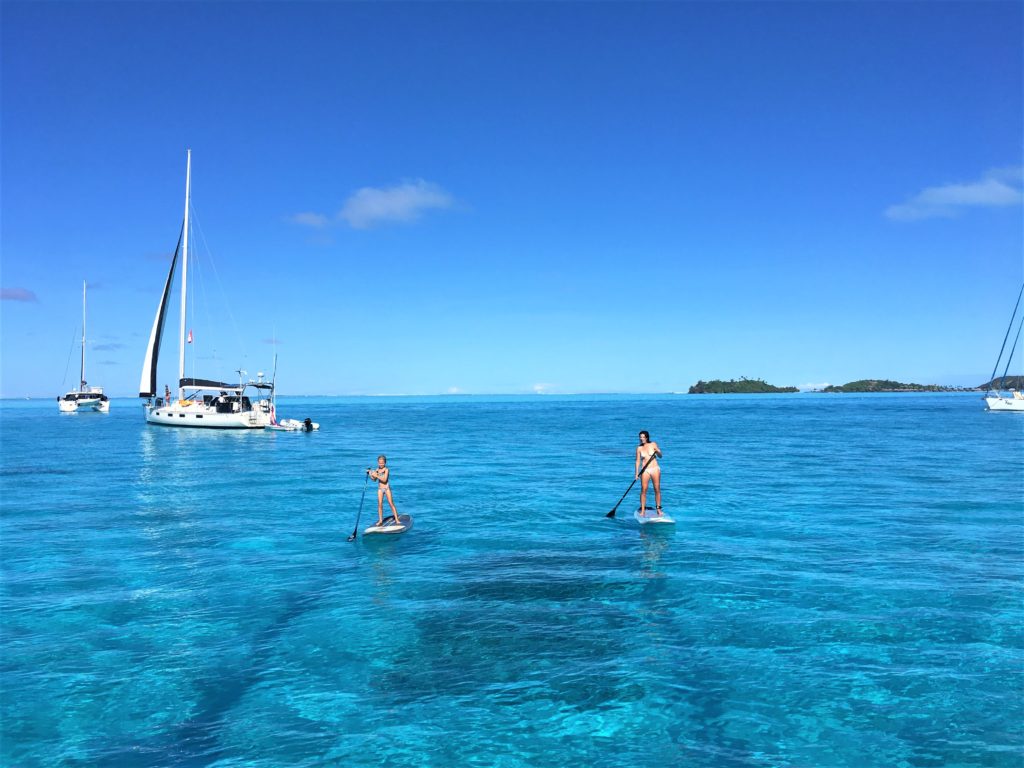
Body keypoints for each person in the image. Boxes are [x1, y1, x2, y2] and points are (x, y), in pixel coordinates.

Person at [635, 430, 663, 516]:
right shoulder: (639, 448)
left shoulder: (653, 444)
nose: (641, 438)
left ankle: (658, 509)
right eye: (640, 437)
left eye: (643, 437)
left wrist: (658, 451)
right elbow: (637, 461)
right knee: (643, 489)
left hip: (654, 468)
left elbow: (660, 456)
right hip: (645, 470)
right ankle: (643, 510)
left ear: (647, 437)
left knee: (657, 489)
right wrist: (636, 473)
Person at [368, 455, 400, 526]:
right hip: (380, 489)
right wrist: (370, 474)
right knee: (380, 505)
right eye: (379, 463)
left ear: (385, 463)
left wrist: (376, 475)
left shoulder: (386, 470)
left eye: (382, 463)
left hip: (387, 488)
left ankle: (397, 520)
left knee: (391, 503)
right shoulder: (377, 470)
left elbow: (384, 479)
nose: (381, 464)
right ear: (378, 463)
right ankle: (380, 520)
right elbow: (374, 480)